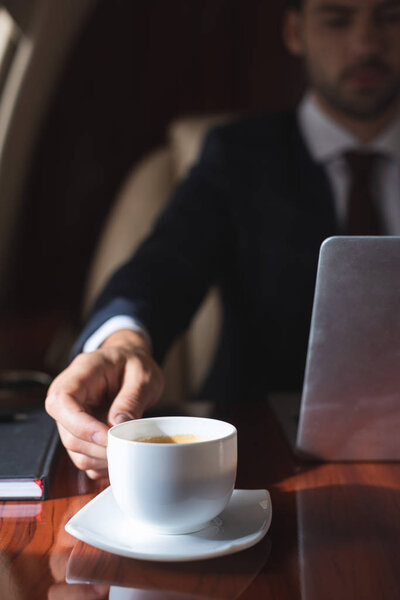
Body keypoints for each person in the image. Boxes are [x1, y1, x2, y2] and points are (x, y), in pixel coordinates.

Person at [46, 0, 400, 479]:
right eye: (337, 20)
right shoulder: (239, 157)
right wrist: (123, 341)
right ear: (295, 32)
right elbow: (164, 267)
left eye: (390, 17)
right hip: (253, 460)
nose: (366, 44)